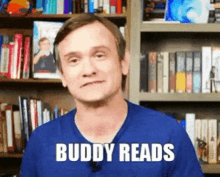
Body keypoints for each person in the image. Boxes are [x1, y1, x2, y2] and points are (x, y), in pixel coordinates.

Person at [20, 13, 204, 176]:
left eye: (99, 55)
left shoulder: (169, 135)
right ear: (63, 75)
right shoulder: (41, 142)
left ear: (124, 62)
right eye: (74, 60)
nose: (89, 70)